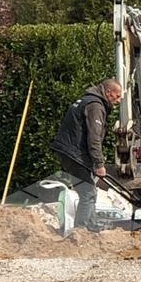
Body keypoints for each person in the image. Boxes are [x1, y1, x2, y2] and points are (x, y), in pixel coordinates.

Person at [52, 78, 124, 226]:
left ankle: (90, 227)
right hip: (74, 153)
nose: (118, 101)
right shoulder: (95, 106)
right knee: (87, 193)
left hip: (68, 151)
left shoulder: (87, 100)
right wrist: (99, 164)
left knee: (89, 191)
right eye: (117, 96)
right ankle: (81, 231)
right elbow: (94, 137)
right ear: (108, 92)